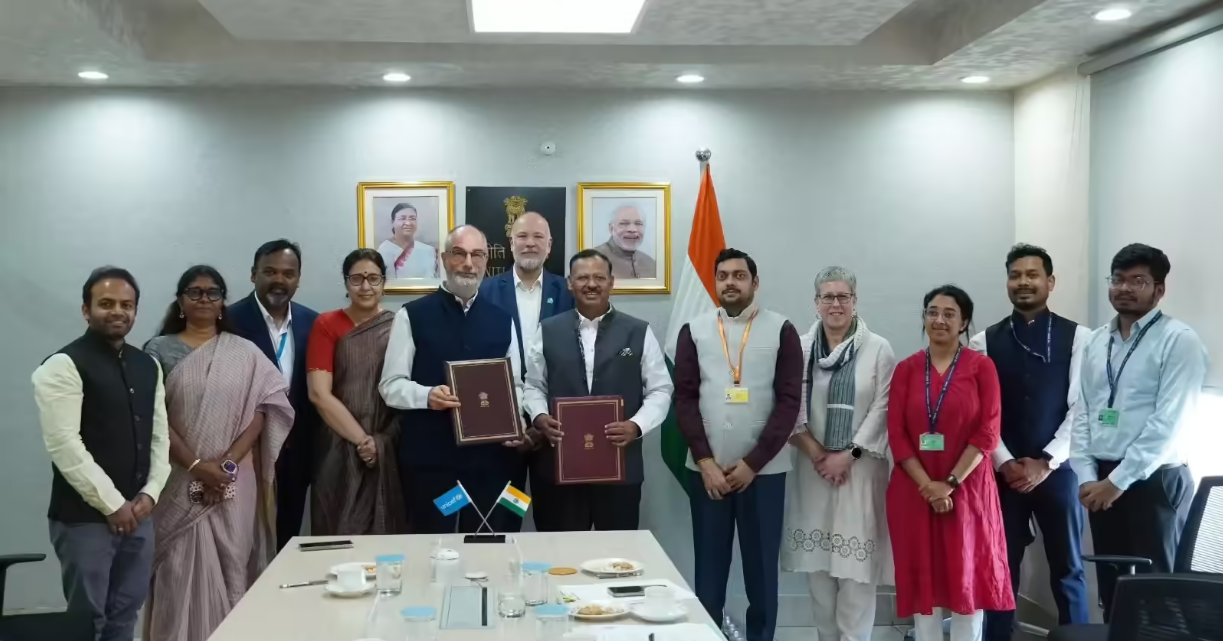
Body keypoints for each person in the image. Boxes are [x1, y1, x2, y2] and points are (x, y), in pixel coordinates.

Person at [141, 265, 293, 641]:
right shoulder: (158, 350)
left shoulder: (245, 352)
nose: (204, 299)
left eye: (213, 292)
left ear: (223, 301)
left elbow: (266, 407)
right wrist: (196, 466)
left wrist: (225, 465)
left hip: (235, 478)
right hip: (177, 478)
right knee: (177, 568)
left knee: (234, 561)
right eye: (194, 292)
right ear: (180, 301)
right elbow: (154, 416)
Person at [32, 266, 171, 641]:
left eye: (127, 305)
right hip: (84, 519)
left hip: (139, 515)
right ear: (86, 310)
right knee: (86, 621)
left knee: (126, 613)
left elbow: (160, 437)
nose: (118, 311)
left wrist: (151, 492)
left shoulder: (148, 365)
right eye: (106, 303)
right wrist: (112, 504)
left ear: (136, 311)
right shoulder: (62, 366)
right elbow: (64, 445)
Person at [1070, 243, 1207, 620]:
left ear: (1158, 290)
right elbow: (1084, 410)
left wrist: (1118, 481)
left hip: (1154, 482)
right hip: (1101, 483)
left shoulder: (1179, 340)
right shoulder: (1097, 341)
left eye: (1138, 281)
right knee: (1115, 591)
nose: (1124, 288)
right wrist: (1085, 475)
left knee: (1157, 591)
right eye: (1117, 279)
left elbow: (1169, 422)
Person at [675, 248, 801, 641]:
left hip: (763, 473)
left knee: (761, 572)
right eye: (723, 276)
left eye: (739, 275)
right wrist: (705, 460)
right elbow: (685, 398)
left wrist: (753, 463)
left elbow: (789, 401)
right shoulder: (693, 329)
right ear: (714, 283)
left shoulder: (782, 329)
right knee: (709, 572)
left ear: (754, 282)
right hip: (707, 472)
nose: (730, 282)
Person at [970, 245, 1091, 640]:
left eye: (1032, 274)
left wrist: (1047, 461)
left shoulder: (1081, 338)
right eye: (1015, 274)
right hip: (1002, 475)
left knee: (1068, 568)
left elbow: (1083, 408)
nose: (1023, 282)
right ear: (1007, 281)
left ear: (1050, 282)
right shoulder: (982, 342)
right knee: (1001, 566)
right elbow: (980, 414)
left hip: (1058, 472)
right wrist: (1005, 462)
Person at [379, 225, 530, 534]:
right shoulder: (412, 315)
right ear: (444, 258)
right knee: (435, 544)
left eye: (477, 255)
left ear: (487, 260)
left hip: (491, 463)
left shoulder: (502, 319)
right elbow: (390, 386)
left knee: (489, 545)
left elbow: (515, 384)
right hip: (432, 462)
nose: (468, 264)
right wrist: (427, 395)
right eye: (459, 254)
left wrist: (518, 420)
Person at [887, 285, 1013, 641]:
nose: (939, 319)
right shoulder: (907, 369)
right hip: (915, 492)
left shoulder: (981, 367)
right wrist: (928, 486)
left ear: (964, 322)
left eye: (949, 313)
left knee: (967, 584)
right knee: (923, 588)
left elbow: (988, 432)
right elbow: (896, 435)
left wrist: (950, 483)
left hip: (968, 491)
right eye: (932, 311)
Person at [781, 266, 896, 641]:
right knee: (819, 573)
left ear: (855, 301)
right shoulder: (797, 348)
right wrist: (819, 454)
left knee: (856, 573)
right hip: (812, 471)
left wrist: (849, 455)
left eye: (843, 296)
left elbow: (883, 408)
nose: (835, 304)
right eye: (828, 297)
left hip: (860, 473)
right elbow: (787, 407)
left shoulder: (878, 349)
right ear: (816, 303)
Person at [523, 249, 673, 531]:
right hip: (560, 467)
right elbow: (533, 385)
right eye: (582, 278)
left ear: (611, 282)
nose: (591, 284)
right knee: (560, 557)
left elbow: (661, 389)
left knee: (617, 558)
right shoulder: (548, 330)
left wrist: (636, 425)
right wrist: (539, 416)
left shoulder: (638, 331)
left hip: (619, 467)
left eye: (598, 278)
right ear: (570, 283)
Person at [226, 239, 319, 550]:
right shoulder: (229, 321)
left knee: (289, 535)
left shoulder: (312, 322)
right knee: (246, 538)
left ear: (298, 278)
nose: (279, 280)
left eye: (288, 273)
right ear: (254, 274)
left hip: (298, 450)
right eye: (270, 271)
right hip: (248, 450)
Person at [307, 249, 407, 535]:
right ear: (346, 283)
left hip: (388, 442)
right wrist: (363, 441)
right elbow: (319, 394)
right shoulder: (326, 324)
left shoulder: (400, 325)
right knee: (338, 527)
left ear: (384, 282)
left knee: (388, 530)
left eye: (373, 279)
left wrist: (380, 443)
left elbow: (406, 389)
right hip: (337, 445)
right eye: (357, 279)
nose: (366, 287)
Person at [479, 211, 575, 368]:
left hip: (553, 388)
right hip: (503, 387)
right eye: (522, 236)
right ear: (511, 244)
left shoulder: (568, 292)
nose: (530, 243)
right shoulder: (485, 292)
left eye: (538, 236)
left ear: (549, 245)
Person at [377, 202, 440, 279]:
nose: (408, 223)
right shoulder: (383, 251)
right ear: (392, 222)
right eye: (402, 218)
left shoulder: (428, 251)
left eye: (412, 218)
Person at [593, 204, 656, 279]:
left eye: (638, 223)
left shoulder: (651, 263)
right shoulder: (592, 260)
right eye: (624, 223)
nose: (632, 229)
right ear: (611, 229)